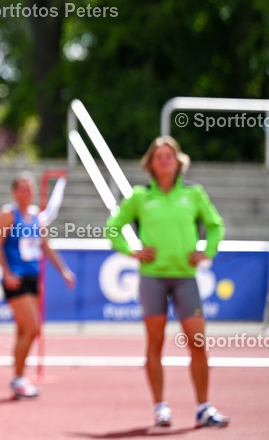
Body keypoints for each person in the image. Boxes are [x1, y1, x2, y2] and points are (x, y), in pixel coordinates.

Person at [105, 136, 229, 428]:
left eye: (169, 156)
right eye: (158, 156)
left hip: (185, 277)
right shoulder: (139, 197)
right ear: (150, 163)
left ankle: (203, 407)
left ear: (178, 162)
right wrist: (132, 251)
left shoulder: (194, 195)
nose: (164, 161)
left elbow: (215, 225)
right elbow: (113, 228)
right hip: (153, 278)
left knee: (197, 342)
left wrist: (207, 251)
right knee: (155, 342)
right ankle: (160, 407)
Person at [0, 172, 75, 399]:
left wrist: (64, 271)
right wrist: (6, 273)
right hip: (15, 279)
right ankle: (18, 379)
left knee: (23, 331)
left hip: (33, 278)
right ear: (15, 192)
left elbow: (45, 246)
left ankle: (19, 376)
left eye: (30, 188)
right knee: (33, 328)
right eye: (22, 188)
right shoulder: (8, 214)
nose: (27, 192)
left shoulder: (37, 216)